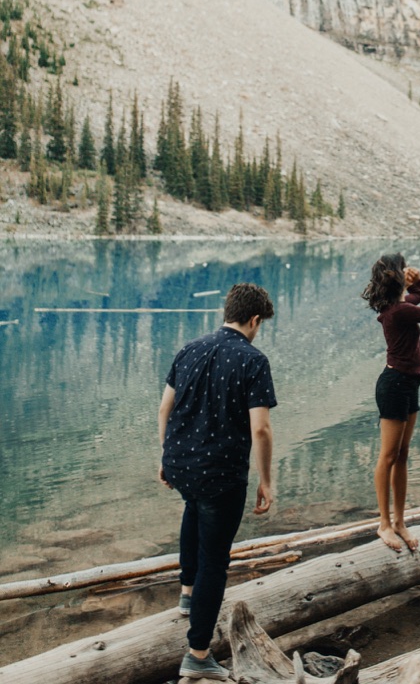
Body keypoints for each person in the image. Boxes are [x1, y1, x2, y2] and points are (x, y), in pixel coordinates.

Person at [158, 283, 277, 682]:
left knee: (193, 509)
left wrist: (166, 455)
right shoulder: (253, 360)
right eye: (261, 324)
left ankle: (187, 595)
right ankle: (197, 654)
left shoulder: (190, 348)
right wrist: (266, 481)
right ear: (255, 319)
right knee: (216, 561)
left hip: (181, 465)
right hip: (219, 475)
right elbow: (260, 430)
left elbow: (165, 407)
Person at [363, 252, 420, 552]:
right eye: (403, 270)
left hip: (408, 384)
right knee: (388, 456)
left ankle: (400, 521)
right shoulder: (399, 312)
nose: (407, 273)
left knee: (402, 454)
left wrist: (414, 284)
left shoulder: (397, 306)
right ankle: (384, 524)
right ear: (395, 276)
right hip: (394, 387)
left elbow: (414, 297)